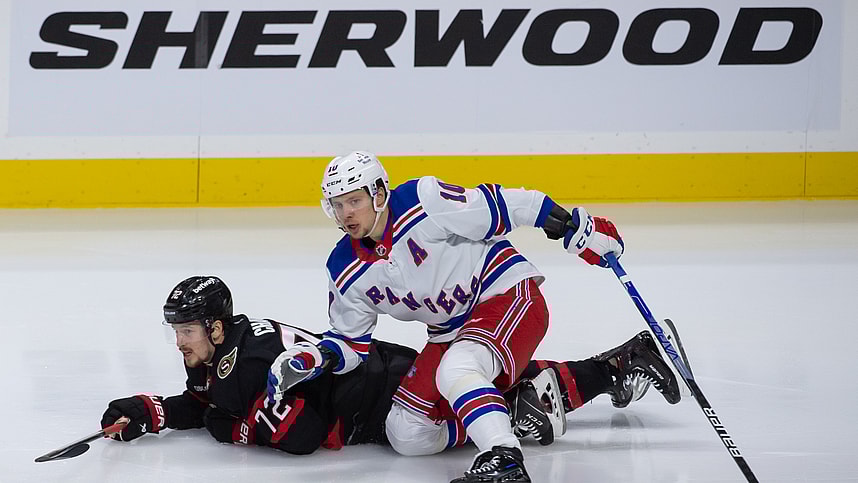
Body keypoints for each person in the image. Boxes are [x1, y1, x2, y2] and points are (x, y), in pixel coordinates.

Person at [267, 151, 681, 482]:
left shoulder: (422, 201)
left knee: (458, 369)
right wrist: (312, 358)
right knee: (407, 432)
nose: (346, 214)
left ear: (379, 194)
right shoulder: (343, 267)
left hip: (505, 294)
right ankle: (571, 385)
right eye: (338, 205)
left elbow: (509, 203)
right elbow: (350, 343)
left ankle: (503, 457)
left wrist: (575, 227)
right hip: (450, 332)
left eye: (354, 200)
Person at [102, 276, 680, 460]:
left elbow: (303, 435)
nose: (179, 342)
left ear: (217, 329)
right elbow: (213, 401)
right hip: (377, 379)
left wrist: (223, 427)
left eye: (186, 331)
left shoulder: (245, 366)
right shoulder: (230, 358)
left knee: (499, 405)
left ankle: (616, 367)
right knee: (496, 392)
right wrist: (147, 411)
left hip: (382, 391)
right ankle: (621, 364)